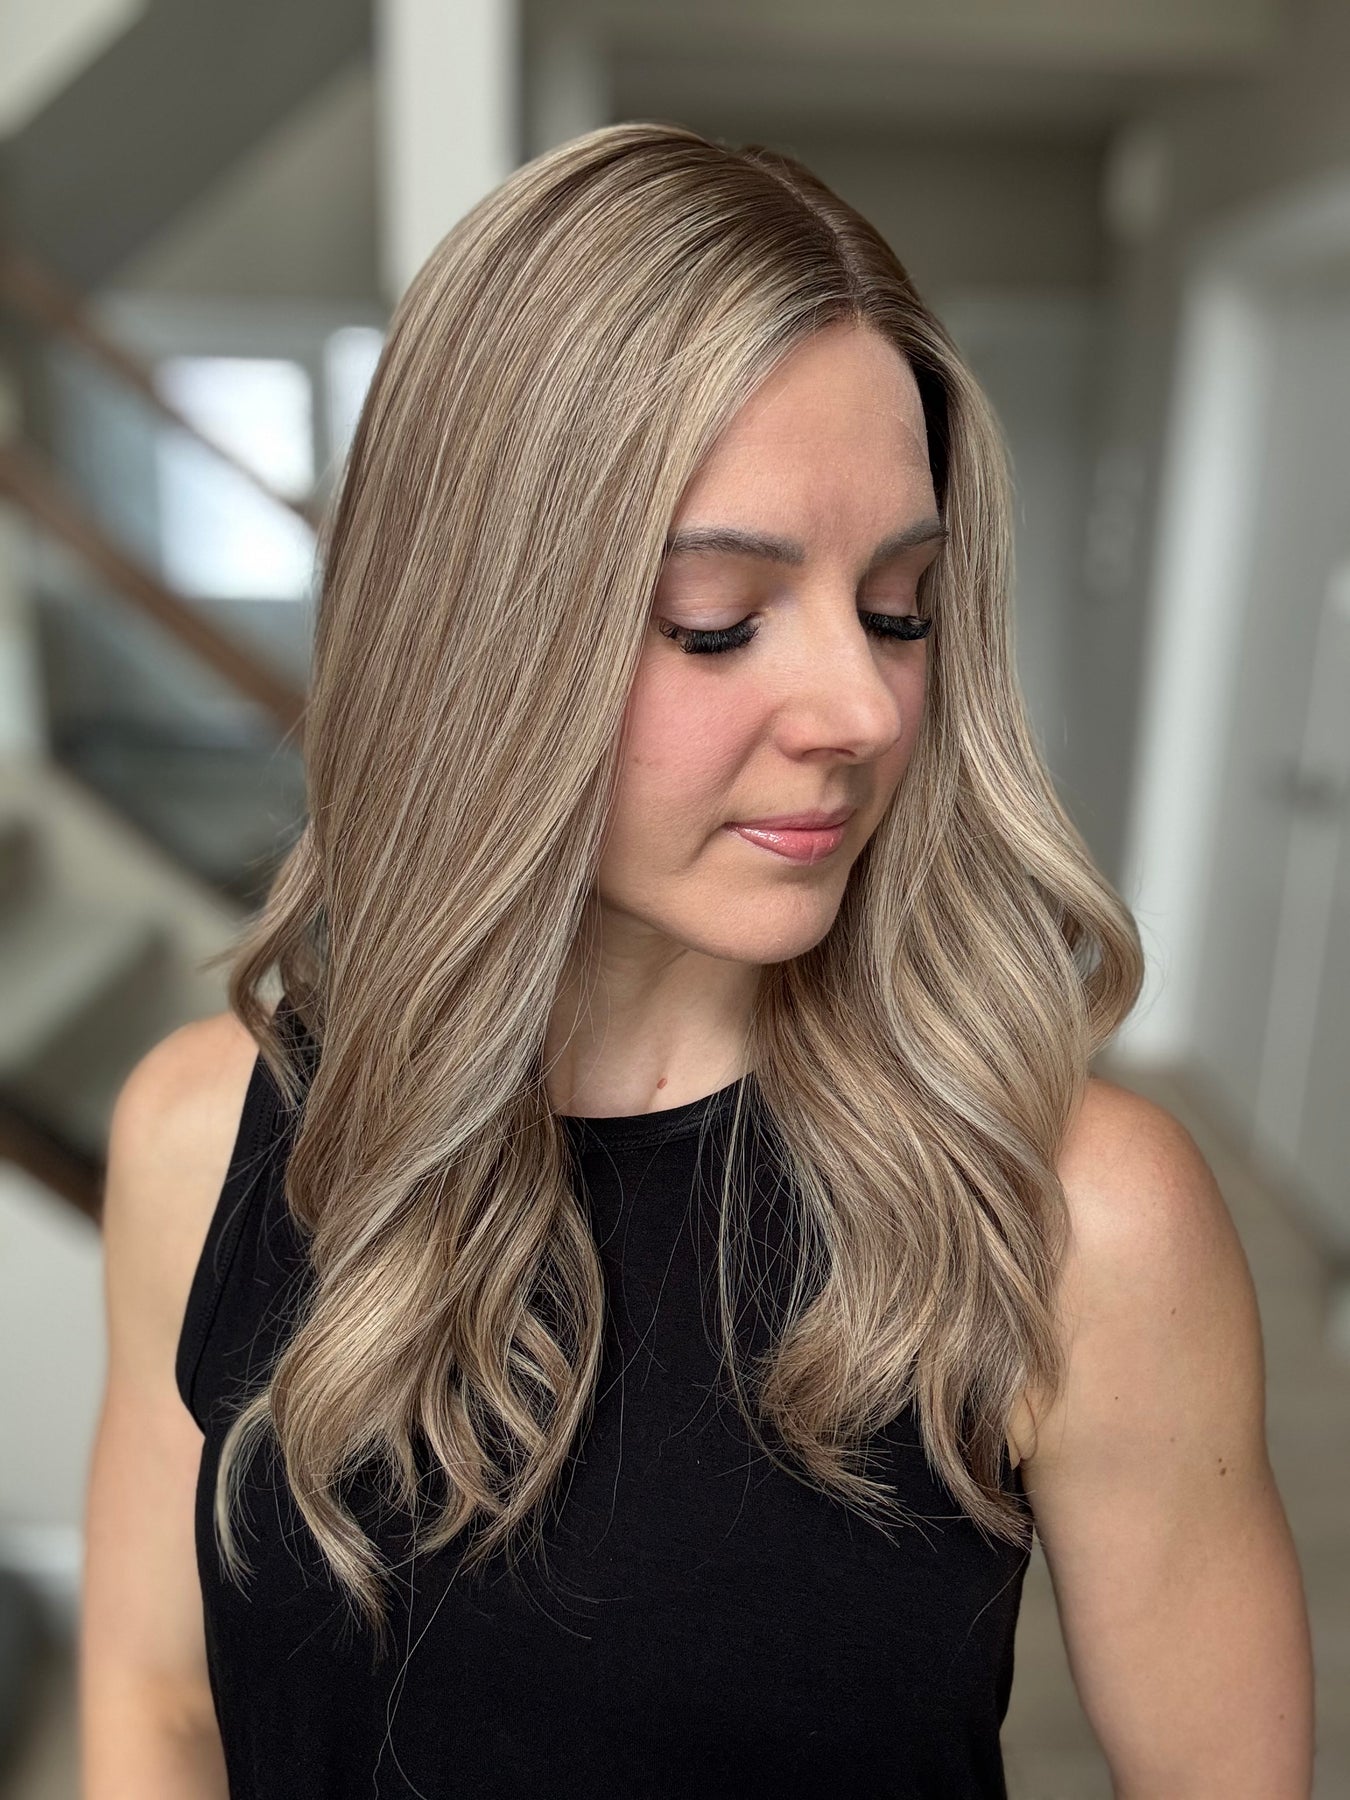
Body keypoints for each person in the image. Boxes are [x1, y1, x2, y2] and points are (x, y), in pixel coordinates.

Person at [79, 122, 1314, 1798]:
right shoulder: (199, 1140)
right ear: (475, 634)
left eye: (898, 607)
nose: (860, 709)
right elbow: (158, 1707)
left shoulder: (1076, 1221)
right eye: (717, 620)